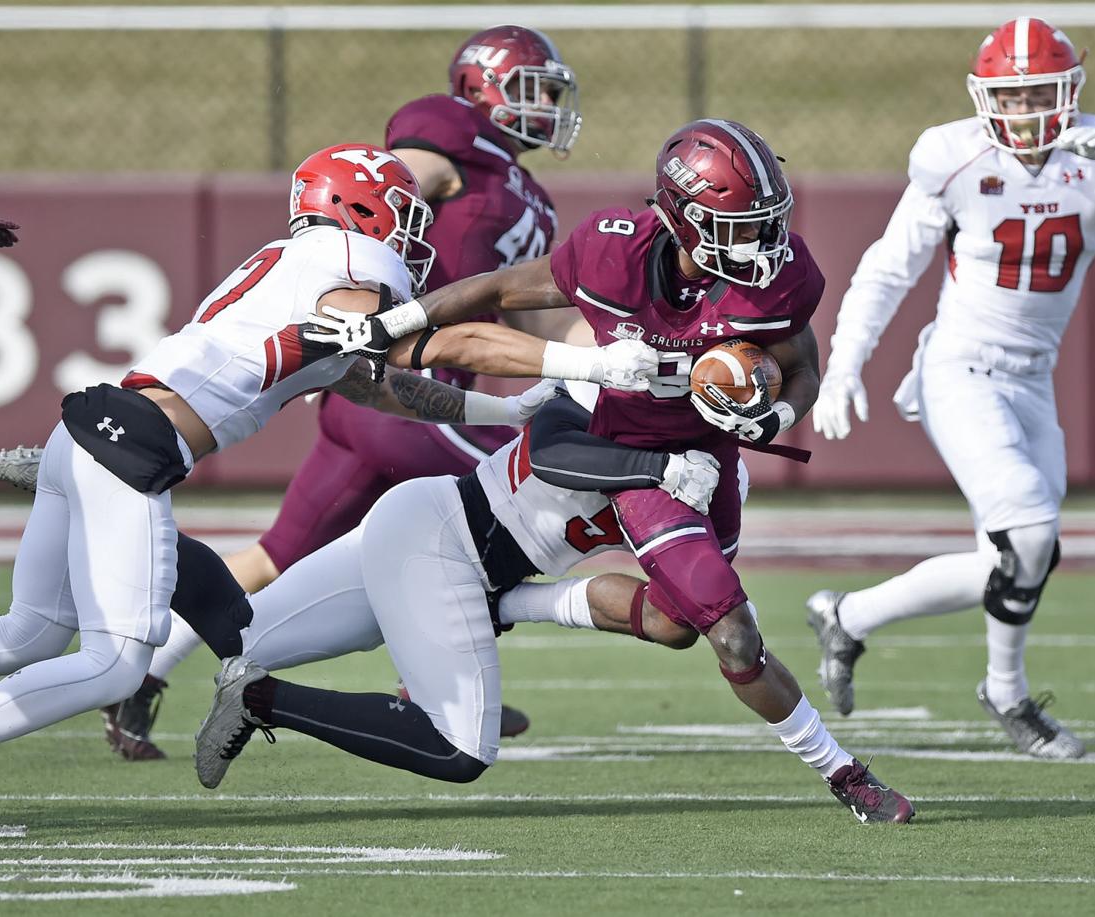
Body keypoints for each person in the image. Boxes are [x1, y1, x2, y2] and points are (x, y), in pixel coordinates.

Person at [0, 143, 654, 835]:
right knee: (113, 666)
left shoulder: (294, 266)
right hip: (129, 445)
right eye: (401, 213)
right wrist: (583, 361)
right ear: (355, 206)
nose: (411, 235)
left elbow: (381, 385)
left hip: (96, 431)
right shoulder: (356, 260)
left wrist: (506, 409)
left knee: (29, 631)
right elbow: (395, 338)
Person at [308, 119, 916, 822]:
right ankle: (846, 775)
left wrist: (775, 419)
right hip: (640, 465)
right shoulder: (611, 255)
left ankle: (505, 604)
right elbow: (498, 288)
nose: (765, 243)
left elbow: (801, 365)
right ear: (687, 220)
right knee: (735, 633)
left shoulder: (778, 276)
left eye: (766, 223)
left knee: (676, 624)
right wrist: (394, 323)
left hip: (713, 458)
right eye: (743, 226)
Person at [105, 25, 581, 756]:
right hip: (398, 389)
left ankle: (140, 669)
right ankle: (430, 685)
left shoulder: (532, 197)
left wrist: (613, 362)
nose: (547, 105)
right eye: (536, 88)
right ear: (487, 85)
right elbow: (382, 198)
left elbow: (550, 320)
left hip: (389, 408)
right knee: (507, 512)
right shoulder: (451, 135)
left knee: (277, 555)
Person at [157, 384, 908, 822]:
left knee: (241, 629)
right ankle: (123, 512)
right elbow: (552, 444)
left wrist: (519, 603)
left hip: (450, 558)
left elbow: (688, 623)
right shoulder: (615, 387)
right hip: (436, 533)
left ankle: (136, 536)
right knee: (459, 749)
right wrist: (653, 462)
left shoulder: (716, 489)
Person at [805, 17, 1095, 758]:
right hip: (960, 368)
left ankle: (851, 617)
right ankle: (1004, 692)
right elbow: (887, 268)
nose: (1029, 109)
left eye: (1042, 92)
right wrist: (844, 365)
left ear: (1070, 91)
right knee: (1029, 530)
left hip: (1033, 380)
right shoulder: (954, 156)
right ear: (984, 97)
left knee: (1027, 555)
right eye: (1015, 94)